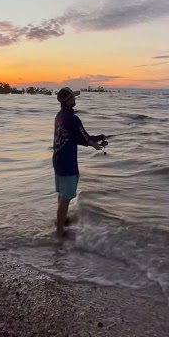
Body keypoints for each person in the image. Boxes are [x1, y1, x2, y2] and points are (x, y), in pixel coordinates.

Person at [51, 86, 106, 237]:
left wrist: (95, 139)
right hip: (68, 162)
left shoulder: (59, 116)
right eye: (73, 97)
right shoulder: (73, 118)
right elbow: (84, 137)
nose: (75, 99)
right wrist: (95, 142)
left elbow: (75, 138)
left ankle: (61, 220)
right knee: (66, 197)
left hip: (57, 159)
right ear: (68, 100)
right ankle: (60, 232)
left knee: (62, 193)